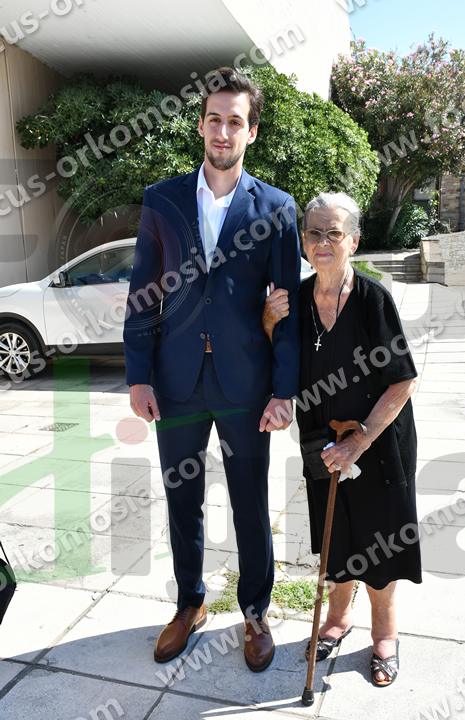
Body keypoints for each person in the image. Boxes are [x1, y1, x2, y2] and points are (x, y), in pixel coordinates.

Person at [123, 67, 301, 672]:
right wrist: (139, 376)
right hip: (175, 383)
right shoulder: (162, 199)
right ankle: (190, 603)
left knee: (250, 502)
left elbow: (287, 307)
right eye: (214, 119)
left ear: (252, 132)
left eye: (236, 121)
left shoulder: (276, 208)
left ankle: (255, 612)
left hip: (245, 386)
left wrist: (283, 389)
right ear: (201, 125)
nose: (223, 131)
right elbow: (143, 291)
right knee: (183, 499)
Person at [263, 191, 421, 686]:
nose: (323, 242)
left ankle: (385, 633)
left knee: (380, 540)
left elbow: (403, 381)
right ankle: (337, 618)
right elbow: (278, 360)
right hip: (320, 440)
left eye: (334, 232)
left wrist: (360, 441)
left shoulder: (373, 300)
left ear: (353, 241)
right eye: (314, 232)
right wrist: (268, 321)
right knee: (336, 535)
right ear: (303, 241)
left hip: (378, 441)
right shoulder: (296, 300)